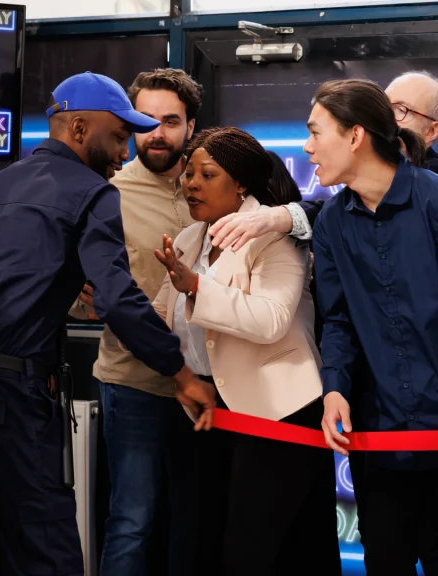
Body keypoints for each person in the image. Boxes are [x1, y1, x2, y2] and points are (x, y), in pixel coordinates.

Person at [0, 72, 215, 576]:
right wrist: (181, 373)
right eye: (118, 137)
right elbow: (119, 299)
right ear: (80, 129)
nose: (123, 154)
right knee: (51, 555)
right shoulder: (92, 192)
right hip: (16, 398)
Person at [304, 78, 438, 575]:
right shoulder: (332, 221)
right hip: (378, 441)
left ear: (355, 135)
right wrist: (334, 387)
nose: (307, 147)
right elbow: (338, 319)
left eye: (316, 132)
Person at [152, 127, 341, 576]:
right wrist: (112, 306)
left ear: (240, 184)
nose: (191, 184)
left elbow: (271, 320)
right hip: (213, 412)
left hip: (280, 414)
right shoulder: (189, 239)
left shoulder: (275, 236)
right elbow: (161, 315)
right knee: (210, 545)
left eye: (207, 175)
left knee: (261, 553)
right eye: (189, 173)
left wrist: (197, 287)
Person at [69, 69, 206, 576]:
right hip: (133, 383)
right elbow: (77, 295)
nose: (157, 133)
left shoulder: (213, 186)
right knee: (133, 520)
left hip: (211, 385)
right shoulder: (106, 193)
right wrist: (79, 299)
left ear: (190, 126)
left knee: (196, 520)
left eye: (170, 121)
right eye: (146, 121)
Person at [208, 70, 438, 250]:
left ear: (432, 130)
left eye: (401, 110)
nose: (385, 117)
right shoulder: (340, 211)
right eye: (382, 105)